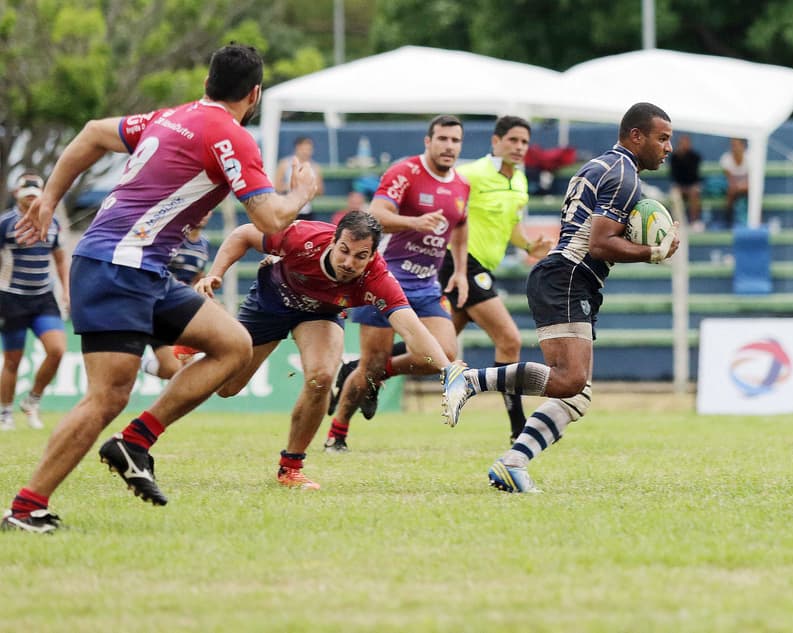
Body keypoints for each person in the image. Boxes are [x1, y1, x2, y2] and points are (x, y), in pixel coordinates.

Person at [1, 44, 318, 534]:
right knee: (106, 397)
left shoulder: (173, 116)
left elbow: (91, 133)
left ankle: (135, 442)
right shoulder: (229, 135)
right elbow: (270, 218)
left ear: (208, 80)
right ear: (254, 93)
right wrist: (301, 192)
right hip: (117, 266)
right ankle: (26, 508)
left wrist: (51, 196)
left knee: (233, 345)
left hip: (138, 269)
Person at [442, 102, 679, 493]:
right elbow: (601, 244)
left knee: (576, 395)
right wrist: (653, 250)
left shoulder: (601, 167)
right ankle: (469, 380)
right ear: (636, 136)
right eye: (663, 138)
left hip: (569, 277)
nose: (668, 147)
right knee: (570, 381)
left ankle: (512, 463)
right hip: (568, 276)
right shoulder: (624, 178)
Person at [196, 211, 458, 489]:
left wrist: (449, 372)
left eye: (360, 256)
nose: (348, 262)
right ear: (334, 241)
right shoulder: (303, 237)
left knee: (320, 378)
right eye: (344, 251)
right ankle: (196, 345)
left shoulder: (378, 278)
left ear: (371, 256)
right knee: (227, 388)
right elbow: (243, 234)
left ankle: (291, 468)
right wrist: (215, 274)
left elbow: (412, 329)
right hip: (269, 303)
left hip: (320, 315)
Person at [324, 114, 470, 453]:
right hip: (383, 281)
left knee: (445, 352)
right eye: (443, 139)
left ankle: (370, 373)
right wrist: (414, 222)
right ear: (428, 141)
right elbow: (374, 217)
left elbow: (460, 226)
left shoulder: (462, 185)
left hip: (427, 286)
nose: (449, 146)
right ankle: (337, 433)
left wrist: (460, 270)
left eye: (455, 141)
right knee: (370, 366)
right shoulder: (406, 173)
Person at [437, 115, 553, 444]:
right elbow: (446, 210)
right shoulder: (470, 174)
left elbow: (511, 227)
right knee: (510, 339)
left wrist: (530, 245)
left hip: (483, 268)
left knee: (437, 349)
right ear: (495, 142)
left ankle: (370, 368)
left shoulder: (519, 181)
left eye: (524, 142)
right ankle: (519, 427)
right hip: (460, 264)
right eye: (512, 140)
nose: (518, 147)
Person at [0, 173, 69, 431]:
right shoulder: (5, 222)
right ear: (16, 193)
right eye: (25, 190)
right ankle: (5, 412)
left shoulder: (53, 223)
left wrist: (66, 290)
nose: (30, 194)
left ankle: (32, 400)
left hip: (43, 297)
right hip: (12, 298)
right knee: (12, 361)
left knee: (57, 350)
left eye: (35, 190)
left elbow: (61, 259)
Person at [140, 211, 214, 380]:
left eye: (209, 210)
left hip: (185, 312)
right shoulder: (175, 237)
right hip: (160, 307)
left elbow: (198, 277)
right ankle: (138, 362)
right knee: (173, 369)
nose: (204, 214)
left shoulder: (204, 243)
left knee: (188, 370)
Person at [274, 137, 324, 218]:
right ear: (297, 148)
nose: (306, 152)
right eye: (303, 149)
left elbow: (320, 190)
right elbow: (277, 186)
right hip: (287, 209)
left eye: (308, 149)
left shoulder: (315, 167)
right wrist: (295, 186)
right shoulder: (284, 164)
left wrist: (306, 189)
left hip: (306, 211)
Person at [669, 133, 703, 228]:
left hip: (692, 186)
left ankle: (694, 221)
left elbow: (694, 175)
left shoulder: (695, 157)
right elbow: (674, 175)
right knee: (674, 195)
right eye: (682, 143)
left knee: (694, 192)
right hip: (679, 186)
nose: (684, 145)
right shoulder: (674, 158)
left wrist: (690, 187)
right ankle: (678, 223)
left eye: (686, 143)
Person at [719, 138, 748, 226]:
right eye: (733, 145)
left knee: (754, 191)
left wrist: (742, 186)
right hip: (733, 187)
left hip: (746, 186)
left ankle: (757, 219)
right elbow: (729, 179)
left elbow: (751, 179)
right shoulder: (726, 159)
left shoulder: (750, 157)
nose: (734, 147)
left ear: (742, 146)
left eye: (736, 145)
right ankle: (728, 220)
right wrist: (738, 186)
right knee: (731, 191)